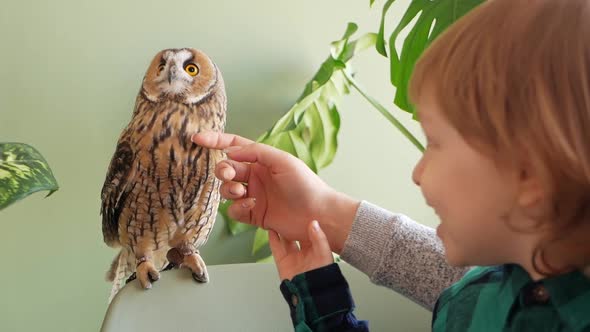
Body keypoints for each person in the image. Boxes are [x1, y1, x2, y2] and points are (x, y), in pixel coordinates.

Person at [192, 0, 590, 330]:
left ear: (531, 178)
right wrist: (322, 297)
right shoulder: (477, 298)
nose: (418, 172)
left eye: (434, 142)